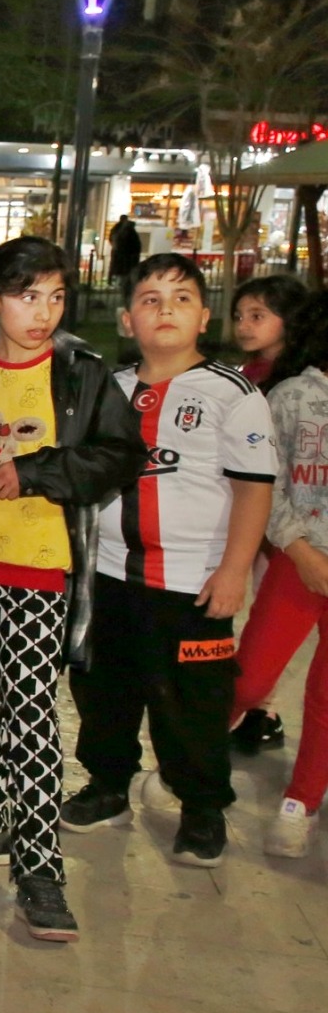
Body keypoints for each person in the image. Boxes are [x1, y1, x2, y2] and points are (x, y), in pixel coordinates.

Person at [0, 237, 144, 942]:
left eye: (55, 296)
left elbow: (117, 454)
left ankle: (40, 867)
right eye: (27, 296)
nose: (42, 312)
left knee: (30, 715)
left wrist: (37, 473)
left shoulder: (81, 373)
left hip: (39, 566)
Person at [60, 254, 277, 868]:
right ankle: (107, 787)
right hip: (107, 576)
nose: (165, 309)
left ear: (204, 316)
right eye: (150, 299)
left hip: (192, 584)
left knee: (193, 702)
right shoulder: (111, 389)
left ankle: (202, 808)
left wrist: (233, 572)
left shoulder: (233, 394)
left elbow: (254, 490)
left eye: (180, 298)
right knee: (104, 691)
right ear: (128, 319)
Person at [229, 289, 328, 855]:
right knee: (250, 677)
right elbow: (270, 483)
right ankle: (186, 765)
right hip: (298, 561)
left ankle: (302, 800)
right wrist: (300, 550)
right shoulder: (292, 396)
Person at [230, 272, 306, 389]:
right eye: (238, 317)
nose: (241, 326)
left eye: (256, 317)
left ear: (291, 316)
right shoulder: (249, 373)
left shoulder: (304, 380)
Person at [108, 215, 143, 301]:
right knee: (126, 272)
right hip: (128, 257)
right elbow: (137, 245)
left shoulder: (117, 229)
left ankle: (115, 284)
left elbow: (112, 239)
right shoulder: (130, 232)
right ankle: (123, 286)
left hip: (120, 255)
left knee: (119, 270)